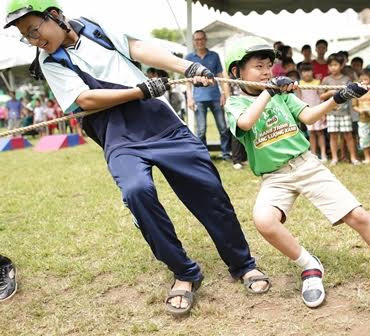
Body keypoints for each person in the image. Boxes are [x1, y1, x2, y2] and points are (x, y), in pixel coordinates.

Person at [5, 0, 270, 316]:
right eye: (27, 37)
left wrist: (189, 67)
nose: (35, 41)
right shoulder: (49, 63)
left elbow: (140, 49)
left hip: (160, 121)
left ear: (55, 16)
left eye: (35, 30)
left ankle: (242, 264)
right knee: (136, 192)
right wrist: (137, 91)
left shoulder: (95, 29)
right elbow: (84, 99)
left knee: (208, 190)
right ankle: (184, 273)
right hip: (117, 134)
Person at [224, 36, 370, 308]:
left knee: (357, 215)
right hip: (275, 176)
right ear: (236, 72)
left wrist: (339, 98)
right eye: (259, 67)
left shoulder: (283, 95)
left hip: (305, 164)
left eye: (269, 66)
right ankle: (309, 265)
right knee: (264, 222)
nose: (267, 72)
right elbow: (245, 123)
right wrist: (270, 91)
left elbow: (309, 117)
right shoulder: (235, 104)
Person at [185, 30, 232, 160]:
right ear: (194, 42)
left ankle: (226, 153)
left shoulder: (214, 56)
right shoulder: (189, 58)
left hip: (215, 97)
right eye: (197, 39)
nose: (199, 42)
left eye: (201, 39)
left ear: (205, 40)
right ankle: (203, 155)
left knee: (223, 127)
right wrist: (189, 97)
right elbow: (187, 82)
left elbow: (221, 76)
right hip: (198, 98)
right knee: (201, 130)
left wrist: (224, 94)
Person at [320, 53, 359, 166]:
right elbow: (321, 96)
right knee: (333, 135)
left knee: (348, 135)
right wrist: (331, 93)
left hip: (345, 112)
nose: (333, 67)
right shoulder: (326, 80)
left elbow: (351, 95)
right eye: (331, 65)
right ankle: (334, 158)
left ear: (341, 66)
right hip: (331, 113)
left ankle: (353, 157)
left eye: (336, 65)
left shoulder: (346, 79)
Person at [297, 62, 327, 162]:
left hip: (318, 110)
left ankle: (323, 154)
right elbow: (299, 98)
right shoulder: (300, 84)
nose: (307, 73)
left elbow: (321, 98)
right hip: (307, 111)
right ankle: (313, 154)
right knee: (311, 133)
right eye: (304, 71)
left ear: (312, 71)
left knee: (320, 133)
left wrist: (323, 113)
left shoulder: (317, 82)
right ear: (301, 73)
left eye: (308, 71)